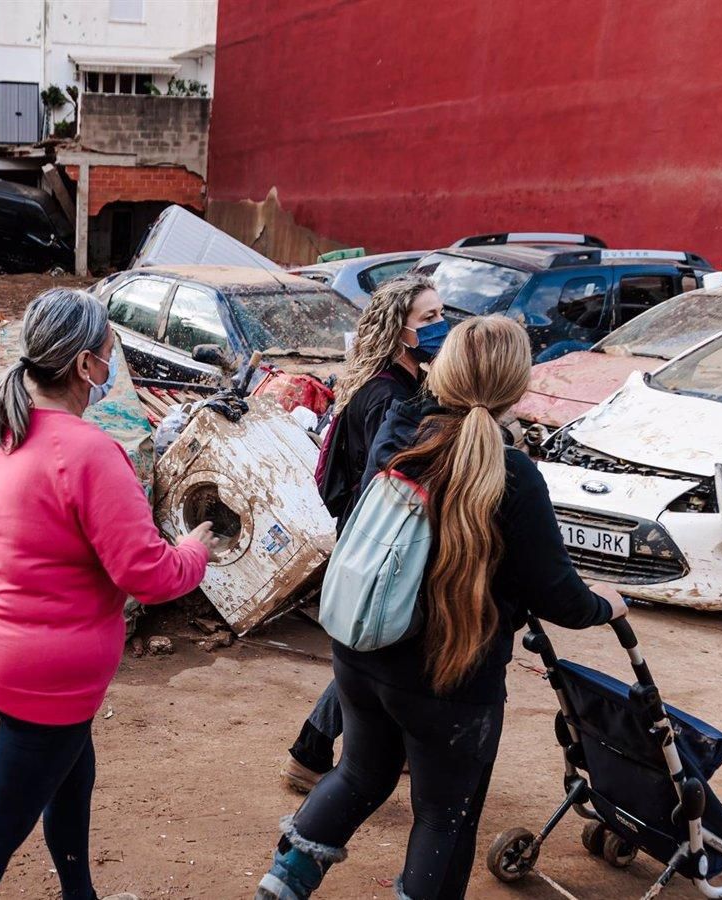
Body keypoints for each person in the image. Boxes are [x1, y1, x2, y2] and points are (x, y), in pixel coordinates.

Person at [256, 315, 627, 900]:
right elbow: (558, 596)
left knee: (357, 774)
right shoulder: (513, 476)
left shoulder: (400, 431)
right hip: (452, 676)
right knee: (441, 817)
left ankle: (281, 887)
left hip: (362, 650)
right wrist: (606, 606)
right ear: (516, 386)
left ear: (445, 368)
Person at [0, 288, 218, 900]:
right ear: (86, 365)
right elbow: (149, 574)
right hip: (42, 676)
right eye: (109, 354)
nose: (112, 367)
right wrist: (195, 548)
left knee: (70, 770)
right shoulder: (90, 454)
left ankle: (79, 893)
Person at [283, 275, 446, 794]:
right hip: (377, 538)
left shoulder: (398, 384)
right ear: (401, 330)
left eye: (442, 315)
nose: (442, 327)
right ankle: (312, 751)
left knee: (378, 647)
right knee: (377, 649)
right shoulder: (386, 395)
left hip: (372, 533)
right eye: (429, 319)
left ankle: (345, 749)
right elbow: (387, 478)